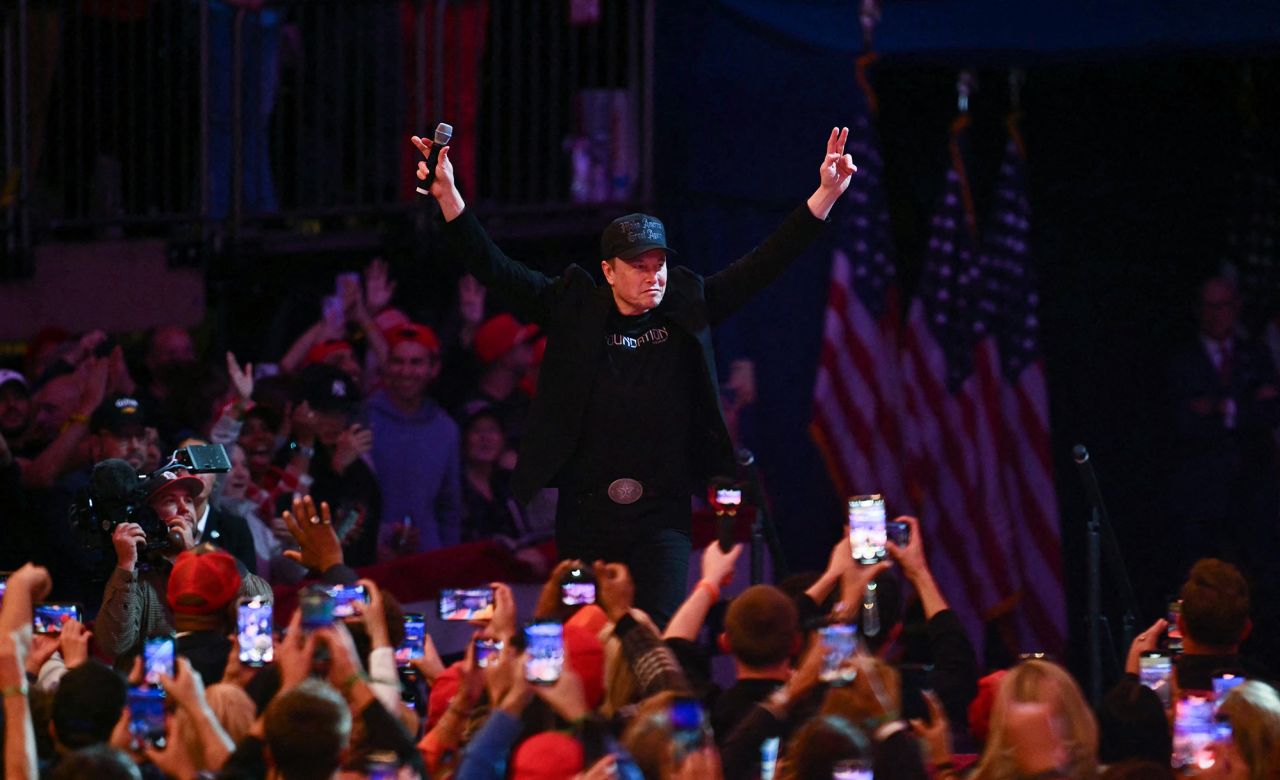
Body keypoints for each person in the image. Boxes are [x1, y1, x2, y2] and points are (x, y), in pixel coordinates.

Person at [412, 126, 857, 624]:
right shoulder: (573, 304)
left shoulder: (688, 301)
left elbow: (764, 264)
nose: (655, 276)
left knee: (657, 632)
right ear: (608, 271)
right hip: (585, 514)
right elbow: (496, 268)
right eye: (640, 266)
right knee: (584, 633)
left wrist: (825, 195)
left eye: (659, 264)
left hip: (661, 515)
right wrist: (448, 195)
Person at [95, 466, 271, 662]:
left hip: (214, 677)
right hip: (157, 686)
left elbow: (261, 605)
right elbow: (113, 644)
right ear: (148, 517)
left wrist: (193, 556)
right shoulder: (137, 576)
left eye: (188, 500)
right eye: (170, 501)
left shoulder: (215, 560)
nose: (184, 508)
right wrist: (126, 564)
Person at [1167, 276, 1280, 579]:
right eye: (1208, 306)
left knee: (1258, 577)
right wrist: (1245, 404)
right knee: (1196, 581)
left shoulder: (1255, 354)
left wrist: (1220, 408)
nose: (1215, 314)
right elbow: (1183, 423)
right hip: (1201, 497)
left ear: (1236, 307)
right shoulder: (1183, 362)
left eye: (1223, 305)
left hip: (1252, 495)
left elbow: (1271, 412)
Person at [364, 322, 462, 557]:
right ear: (385, 365)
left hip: (427, 560)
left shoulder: (445, 428)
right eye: (398, 361)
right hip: (369, 560)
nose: (406, 371)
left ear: (433, 368)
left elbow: (450, 508)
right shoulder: (361, 419)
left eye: (416, 362)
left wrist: (449, 561)